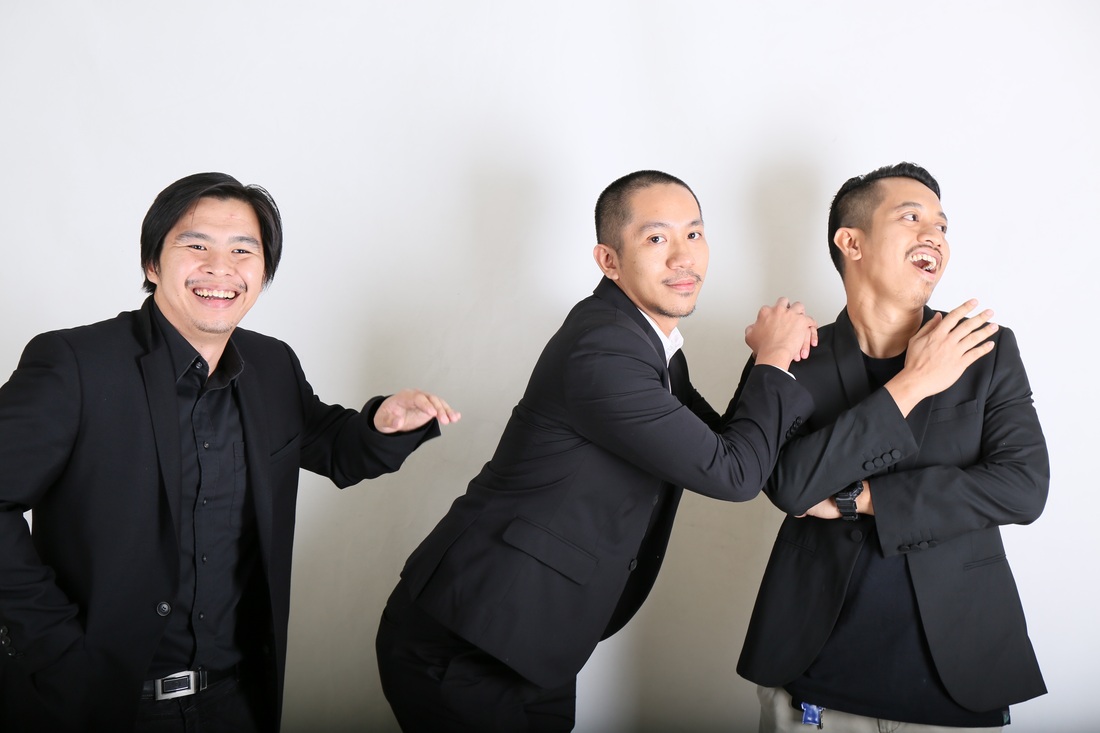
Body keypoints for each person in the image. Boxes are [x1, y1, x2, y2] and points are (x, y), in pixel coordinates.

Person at [0, 172, 460, 733]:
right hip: (97, 701)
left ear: (263, 272)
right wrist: (51, 646)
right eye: (196, 246)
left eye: (243, 251)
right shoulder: (74, 363)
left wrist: (384, 423)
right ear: (152, 264)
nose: (221, 268)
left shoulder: (271, 364)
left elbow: (331, 446)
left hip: (236, 698)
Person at [375, 169, 817, 732]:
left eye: (694, 234)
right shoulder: (604, 350)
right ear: (609, 260)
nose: (683, 256)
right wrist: (772, 358)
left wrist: (769, 361)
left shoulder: (648, 343)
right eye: (656, 238)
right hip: (467, 639)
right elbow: (732, 473)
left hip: (535, 639)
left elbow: (725, 445)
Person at [737, 162, 1048, 732]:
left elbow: (1023, 489)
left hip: (958, 676)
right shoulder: (790, 353)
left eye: (942, 225)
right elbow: (788, 486)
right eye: (912, 217)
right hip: (814, 678)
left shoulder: (986, 348)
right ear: (851, 242)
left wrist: (859, 498)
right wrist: (913, 383)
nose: (935, 235)